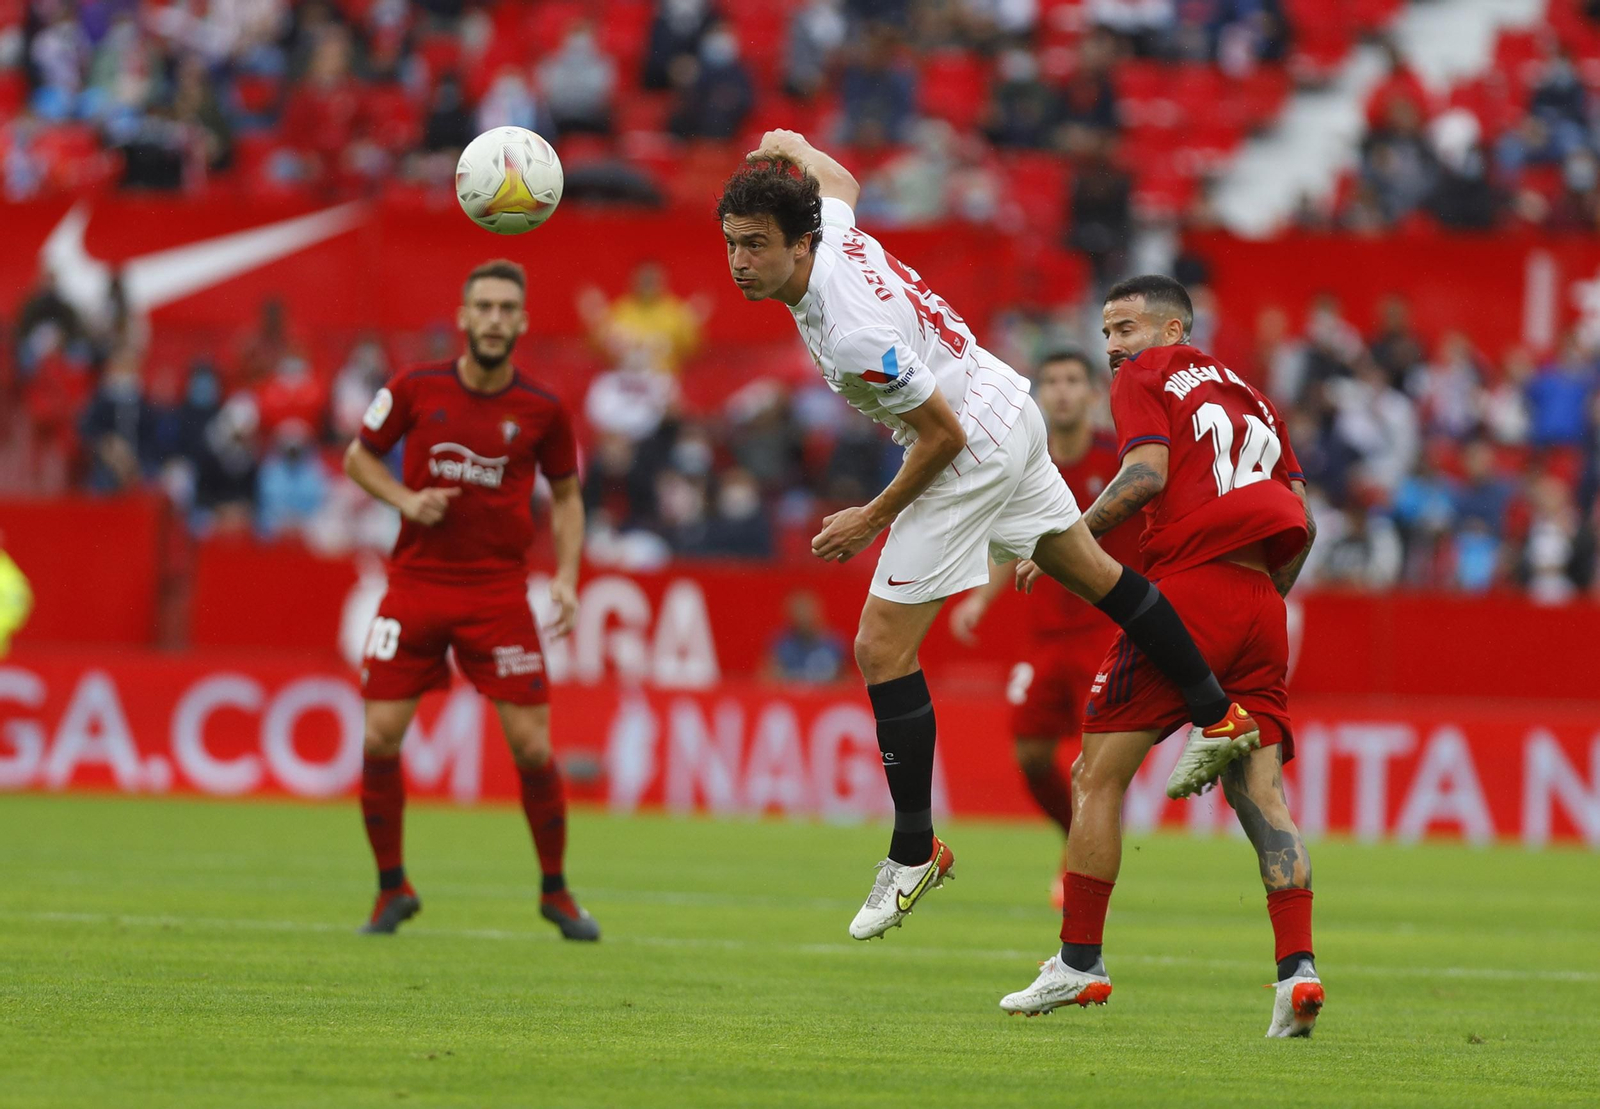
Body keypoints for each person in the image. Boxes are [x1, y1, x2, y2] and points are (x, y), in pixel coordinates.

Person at [718, 132, 1260, 943]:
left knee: (879, 647)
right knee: (1096, 573)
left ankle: (913, 850)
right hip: (1006, 398)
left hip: (967, 438)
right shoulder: (826, 228)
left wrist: (870, 517)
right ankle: (1219, 714)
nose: (739, 262)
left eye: (756, 246)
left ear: (799, 244)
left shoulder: (851, 325)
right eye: (731, 244)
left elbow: (937, 438)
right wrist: (793, 143)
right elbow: (841, 178)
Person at [997, 275, 1323, 1040]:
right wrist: (1265, 597)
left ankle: (1078, 960)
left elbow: (1145, 476)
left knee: (1094, 773)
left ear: (1173, 329)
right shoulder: (1253, 395)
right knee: (1262, 796)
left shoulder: (1151, 377)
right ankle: (1297, 971)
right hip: (1261, 604)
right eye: (1107, 331)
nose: (1114, 346)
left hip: (1190, 593)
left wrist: (1063, 541)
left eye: (1127, 329)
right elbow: (1300, 517)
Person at [342, 260, 598, 941]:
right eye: (481, 306)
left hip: (496, 593)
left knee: (533, 747)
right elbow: (358, 457)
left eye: (505, 308)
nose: (492, 318)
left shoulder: (542, 408)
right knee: (378, 735)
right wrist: (405, 499)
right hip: (416, 585)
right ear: (462, 316)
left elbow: (568, 497)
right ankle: (390, 887)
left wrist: (568, 577)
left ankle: (556, 891)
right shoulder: (413, 388)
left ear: (521, 321)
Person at [947, 351, 1141, 905]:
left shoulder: (1123, 459)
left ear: (1091, 393)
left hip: (1109, 635)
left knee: (1094, 765)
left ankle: (1081, 876)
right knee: (1031, 755)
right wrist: (981, 599)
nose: (1060, 390)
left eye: (1072, 380)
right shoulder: (1026, 463)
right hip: (1046, 637)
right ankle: (1071, 834)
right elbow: (1010, 540)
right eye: (1050, 381)